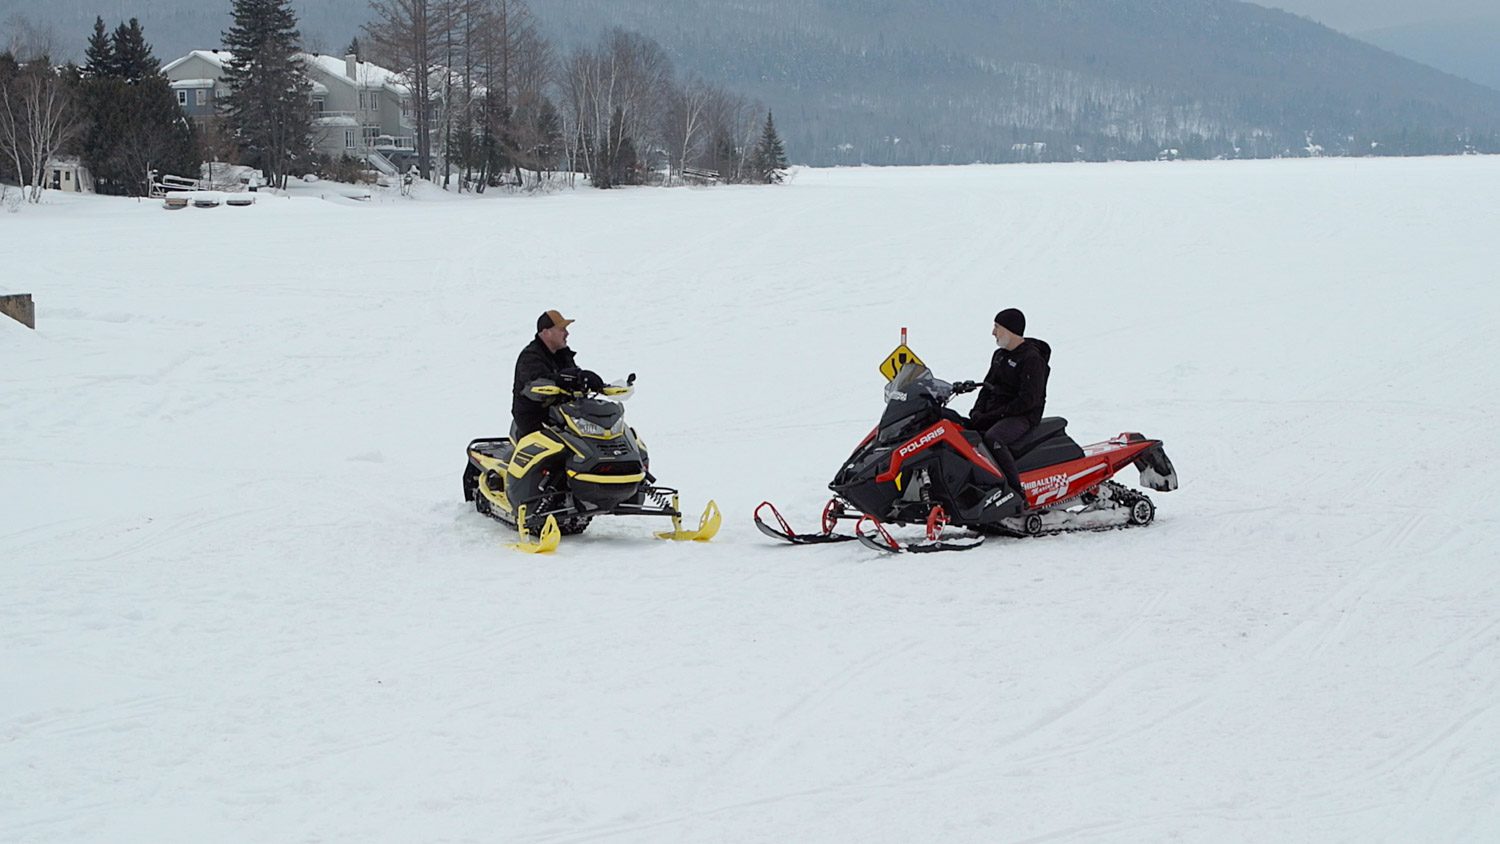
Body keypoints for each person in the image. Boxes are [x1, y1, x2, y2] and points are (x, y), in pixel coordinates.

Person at [969, 308, 1051, 504]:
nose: (993, 332)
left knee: (994, 438)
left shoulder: (1031, 359)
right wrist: (976, 411)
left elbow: (1027, 400)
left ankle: (1015, 493)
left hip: (1022, 416)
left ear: (1010, 330)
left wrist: (992, 416)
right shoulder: (999, 355)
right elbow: (986, 387)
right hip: (998, 413)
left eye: (997, 327)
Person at [511, 310, 602, 438]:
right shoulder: (530, 357)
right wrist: (572, 378)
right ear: (546, 332)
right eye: (562, 329)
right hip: (535, 421)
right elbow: (538, 384)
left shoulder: (562, 355)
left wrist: (593, 384)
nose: (567, 333)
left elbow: (572, 377)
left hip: (563, 417)